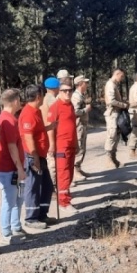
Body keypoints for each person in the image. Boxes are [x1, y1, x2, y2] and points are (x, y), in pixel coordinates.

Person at [0, 88, 27, 244]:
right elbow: (12, 147)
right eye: (19, 100)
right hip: (8, 168)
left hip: (9, 168)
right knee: (9, 200)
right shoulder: (9, 121)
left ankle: (16, 226)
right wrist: (19, 168)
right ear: (14, 101)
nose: (20, 102)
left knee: (17, 199)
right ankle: (7, 233)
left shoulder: (4, 118)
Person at [20, 84, 54, 229]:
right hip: (32, 157)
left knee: (47, 186)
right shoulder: (28, 113)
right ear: (38, 96)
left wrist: (51, 127)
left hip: (41, 155)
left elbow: (38, 131)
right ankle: (31, 218)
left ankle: (42, 214)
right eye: (43, 94)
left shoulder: (37, 111)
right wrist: (34, 157)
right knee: (33, 187)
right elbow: (28, 137)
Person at [48, 80, 79, 215]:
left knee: (70, 174)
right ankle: (63, 202)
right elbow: (50, 127)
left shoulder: (70, 105)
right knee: (63, 174)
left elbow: (73, 125)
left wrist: (76, 143)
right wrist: (52, 145)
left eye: (69, 90)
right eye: (64, 91)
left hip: (71, 145)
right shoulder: (55, 106)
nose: (67, 93)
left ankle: (66, 199)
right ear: (59, 92)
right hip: (61, 146)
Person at [103, 69, 129, 168]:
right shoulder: (110, 84)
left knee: (116, 136)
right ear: (117, 74)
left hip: (116, 113)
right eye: (121, 76)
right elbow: (111, 101)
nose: (122, 79)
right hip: (112, 114)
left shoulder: (114, 85)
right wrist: (123, 105)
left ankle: (114, 158)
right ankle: (109, 159)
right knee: (111, 135)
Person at [71, 75, 91, 179]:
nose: (87, 84)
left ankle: (78, 168)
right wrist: (85, 110)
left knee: (83, 146)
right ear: (80, 84)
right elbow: (75, 111)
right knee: (79, 146)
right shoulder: (76, 96)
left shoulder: (81, 95)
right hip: (78, 124)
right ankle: (75, 170)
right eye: (85, 83)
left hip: (82, 124)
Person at [41, 77, 61, 186]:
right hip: (51, 134)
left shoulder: (44, 99)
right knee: (53, 162)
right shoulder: (53, 101)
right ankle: (53, 186)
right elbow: (52, 122)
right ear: (56, 88)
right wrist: (52, 143)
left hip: (46, 133)